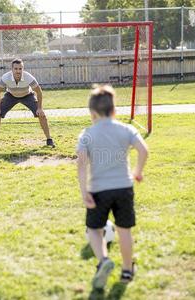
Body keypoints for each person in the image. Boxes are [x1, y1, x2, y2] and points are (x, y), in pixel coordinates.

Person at [76, 85, 149, 289]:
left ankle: (103, 260)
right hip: (124, 187)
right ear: (114, 110)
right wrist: (138, 171)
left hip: (98, 190)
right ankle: (127, 270)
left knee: (94, 229)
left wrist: (84, 192)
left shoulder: (87, 134)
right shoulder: (126, 129)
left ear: (92, 114)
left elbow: (81, 164)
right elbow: (143, 150)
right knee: (124, 230)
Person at [0, 58, 55, 149]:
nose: (18, 71)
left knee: (42, 115)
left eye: (20, 69)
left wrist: (40, 108)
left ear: (23, 69)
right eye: (16, 69)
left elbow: (39, 91)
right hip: (11, 95)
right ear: (12, 69)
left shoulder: (29, 77)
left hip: (27, 95)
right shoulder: (5, 78)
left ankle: (49, 139)